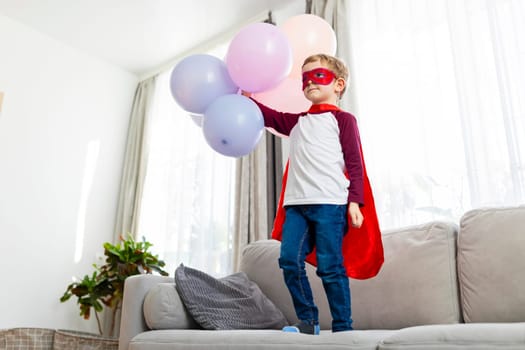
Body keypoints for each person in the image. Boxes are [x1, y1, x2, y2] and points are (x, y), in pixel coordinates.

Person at [244, 53, 382, 335]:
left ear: (339, 84)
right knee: (288, 260)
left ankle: (343, 327)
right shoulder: (298, 122)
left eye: (317, 75)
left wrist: (356, 202)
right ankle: (308, 321)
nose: (309, 83)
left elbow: (355, 162)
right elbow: (269, 116)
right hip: (296, 207)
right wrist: (246, 99)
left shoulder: (344, 120)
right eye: (304, 78)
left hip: (331, 205)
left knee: (331, 268)